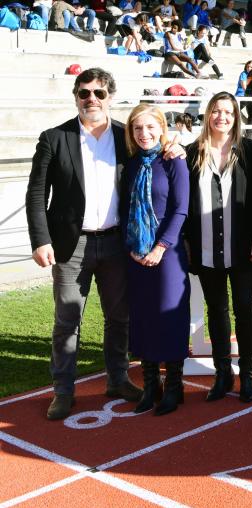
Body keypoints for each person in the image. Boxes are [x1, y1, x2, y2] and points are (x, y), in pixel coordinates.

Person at [26, 68, 150, 421]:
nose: (91, 99)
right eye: (84, 93)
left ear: (110, 96)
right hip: (70, 245)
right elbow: (37, 193)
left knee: (119, 317)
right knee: (67, 320)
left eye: (98, 93)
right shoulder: (54, 137)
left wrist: (173, 147)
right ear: (76, 96)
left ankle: (118, 379)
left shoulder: (127, 136)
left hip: (115, 243)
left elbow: (155, 154)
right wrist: (40, 240)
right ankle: (63, 391)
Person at [185, 92, 252, 403]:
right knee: (216, 310)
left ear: (237, 117)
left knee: (246, 308)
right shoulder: (192, 153)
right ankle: (222, 373)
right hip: (205, 245)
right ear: (208, 115)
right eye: (216, 111)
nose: (222, 117)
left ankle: (247, 373)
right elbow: (185, 203)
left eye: (228, 112)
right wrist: (187, 240)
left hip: (245, 245)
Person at [119, 104, 190, 417]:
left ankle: (174, 386)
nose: (144, 134)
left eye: (150, 127)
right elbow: (124, 210)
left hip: (168, 253)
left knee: (168, 316)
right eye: (137, 128)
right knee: (143, 317)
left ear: (162, 128)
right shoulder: (131, 164)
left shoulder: (173, 160)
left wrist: (160, 247)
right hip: (136, 253)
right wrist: (132, 247)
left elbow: (181, 209)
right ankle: (151, 385)